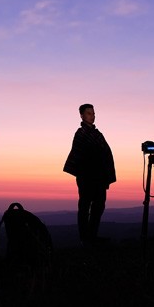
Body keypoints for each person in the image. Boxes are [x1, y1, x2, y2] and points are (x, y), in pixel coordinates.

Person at [63, 103, 116, 246]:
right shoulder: (80, 134)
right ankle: (85, 238)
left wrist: (105, 172)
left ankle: (92, 236)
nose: (92, 116)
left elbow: (106, 153)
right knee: (85, 207)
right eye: (89, 113)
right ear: (81, 115)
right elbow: (79, 155)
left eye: (93, 113)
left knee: (99, 206)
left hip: (99, 177)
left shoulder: (98, 134)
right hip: (86, 177)